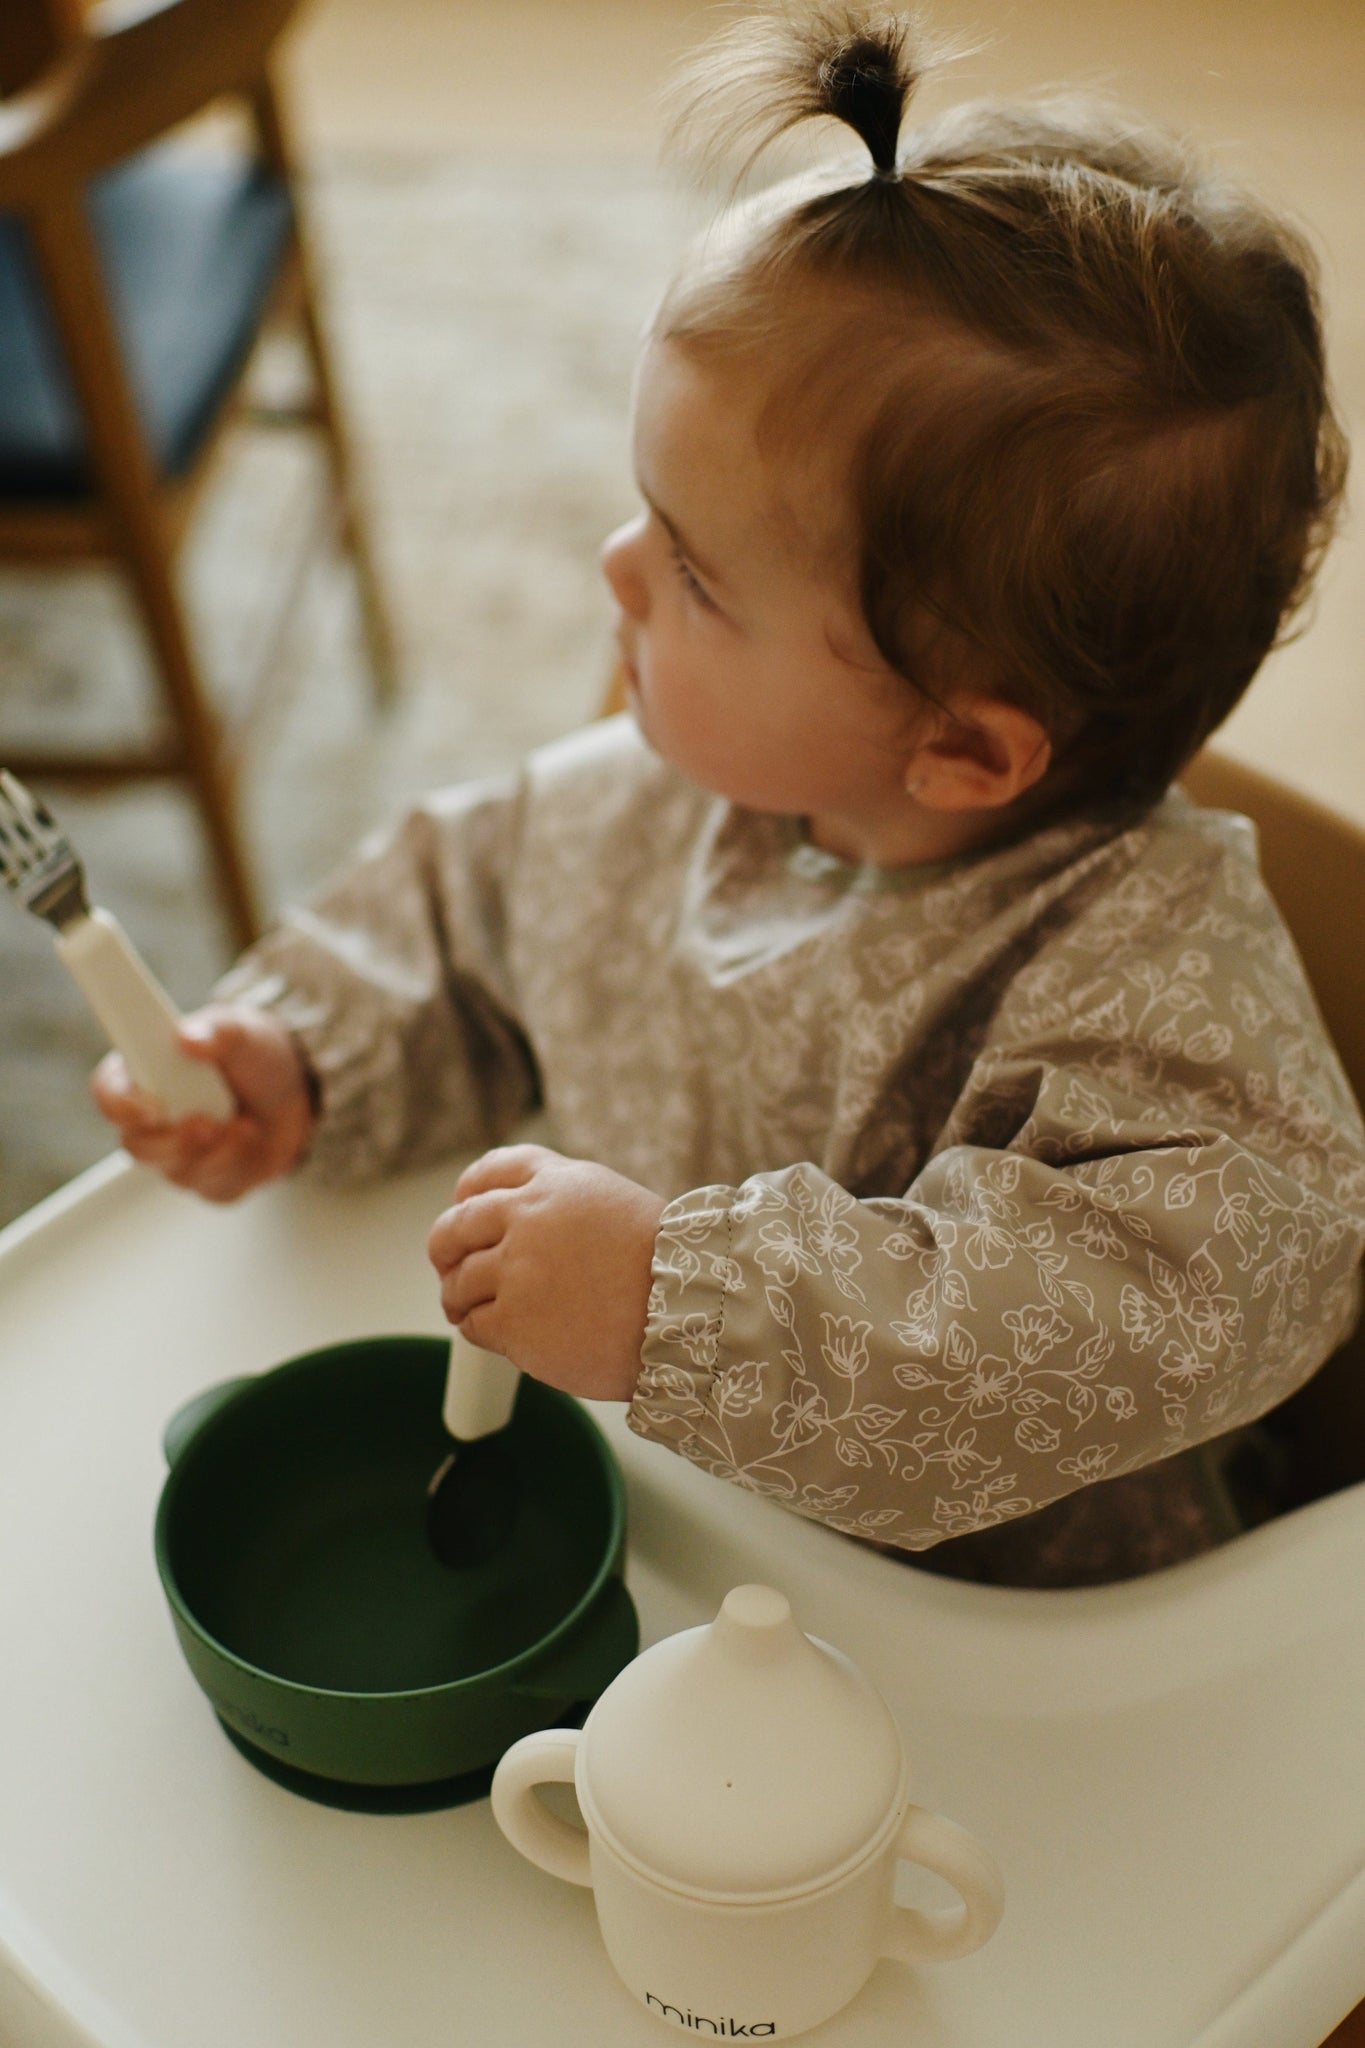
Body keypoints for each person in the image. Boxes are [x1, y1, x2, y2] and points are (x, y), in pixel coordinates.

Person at [94, 5, 1365, 1585]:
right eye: (649, 516)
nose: (615, 570)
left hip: (993, 1613)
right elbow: (462, 918)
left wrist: (674, 1303)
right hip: (680, 1498)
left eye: (693, 573)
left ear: (964, 750)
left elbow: (1209, 1284)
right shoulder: (669, 793)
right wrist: (305, 1056)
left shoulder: (1146, 971)